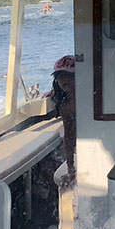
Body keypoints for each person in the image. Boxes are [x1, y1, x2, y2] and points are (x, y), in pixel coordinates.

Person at [49, 55, 77, 187]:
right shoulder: (65, 106)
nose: (64, 80)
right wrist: (71, 168)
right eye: (60, 76)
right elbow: (69, 137)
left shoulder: (91, 99)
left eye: (69, 75)